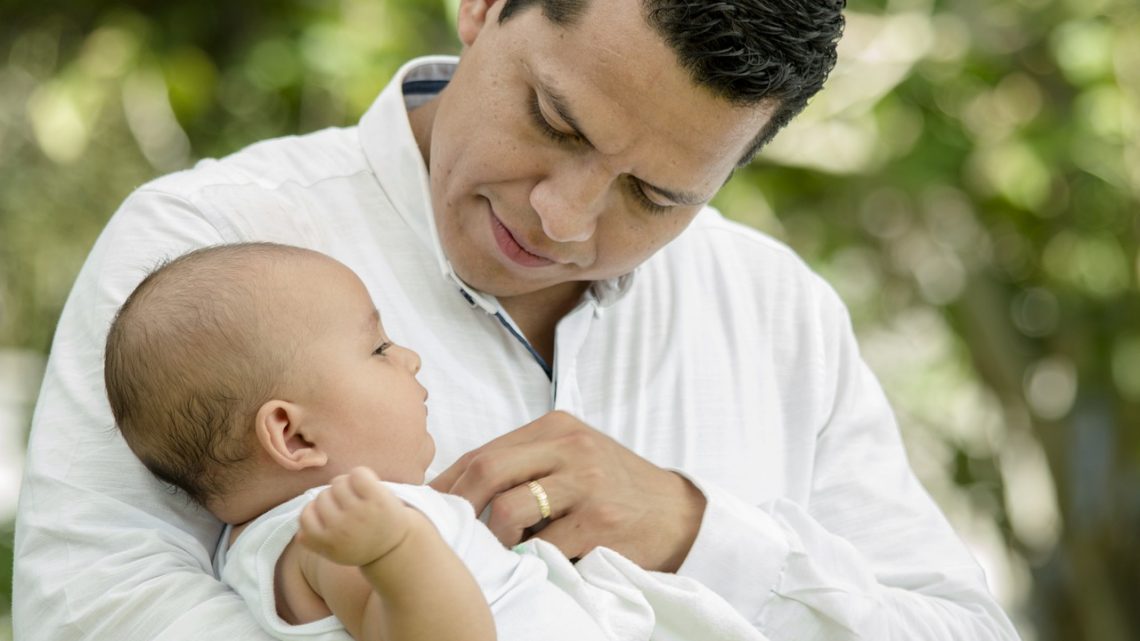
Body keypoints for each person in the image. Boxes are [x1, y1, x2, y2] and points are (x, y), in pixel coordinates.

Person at [13, 1, 1021, 640]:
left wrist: (692, 528)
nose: (564, 217)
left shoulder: (777, 308)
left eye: (656, 195)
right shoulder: (208, 242)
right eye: (556, 122)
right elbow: (92, 610)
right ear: (483, 8)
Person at [102, 242, 614, 641]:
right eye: (378, 348)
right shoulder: (323, 541)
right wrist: (395, 548)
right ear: (295, 436)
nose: (410, 357)